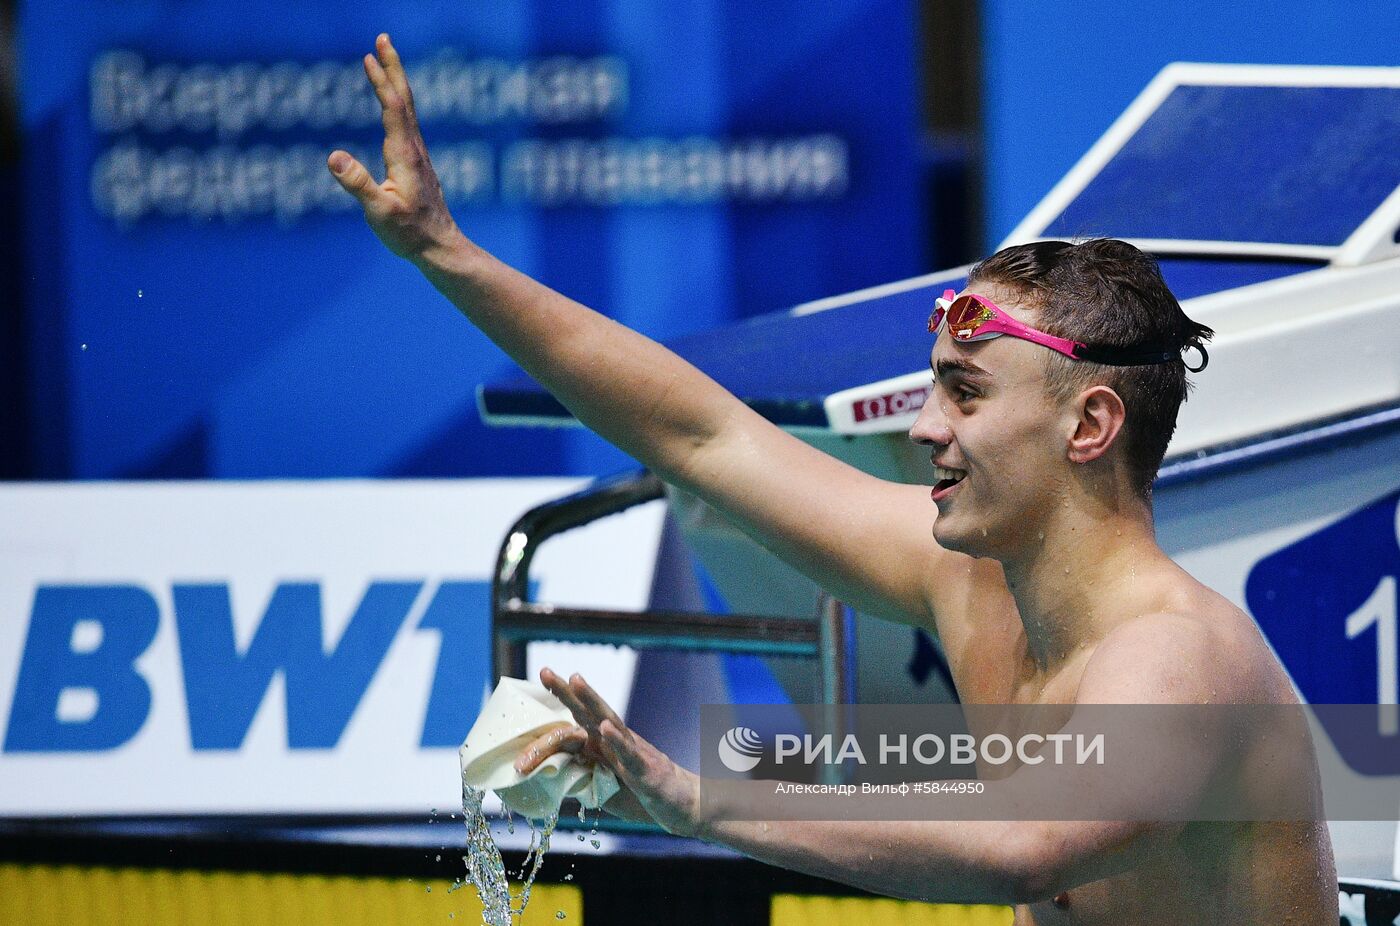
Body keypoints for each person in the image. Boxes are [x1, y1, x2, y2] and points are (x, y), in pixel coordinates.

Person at [329, 34, 1336, 923]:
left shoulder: (1174, 662)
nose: (924, 423)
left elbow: (1023, 847)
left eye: (964, 392)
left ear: (1089, 423)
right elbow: (704, 438)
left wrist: (701, 799)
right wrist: (447, 257)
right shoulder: (974, 587)